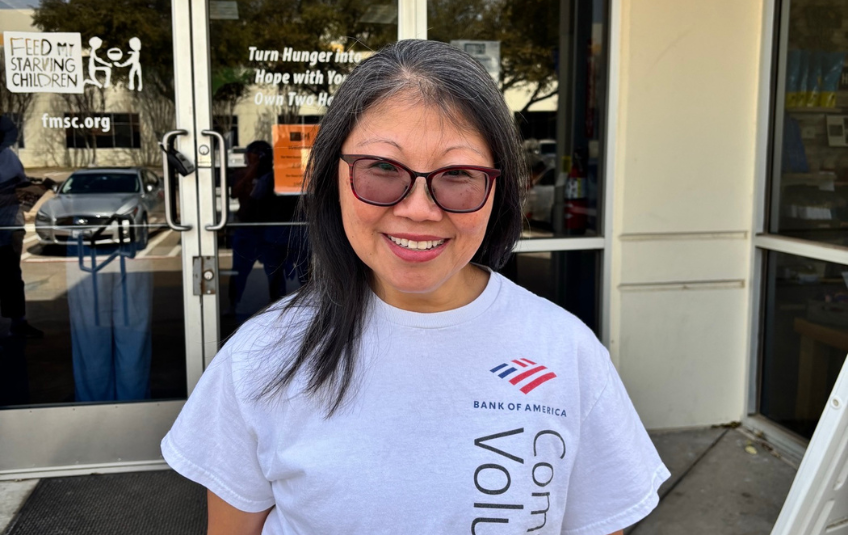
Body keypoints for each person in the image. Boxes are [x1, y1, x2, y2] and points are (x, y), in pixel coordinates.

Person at [162, 40, 669, 535]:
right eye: (382, 168)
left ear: (500, 189)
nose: (420, 209)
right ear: (330, 176)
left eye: (459, 174)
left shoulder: (566, 349)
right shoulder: (263, 355)